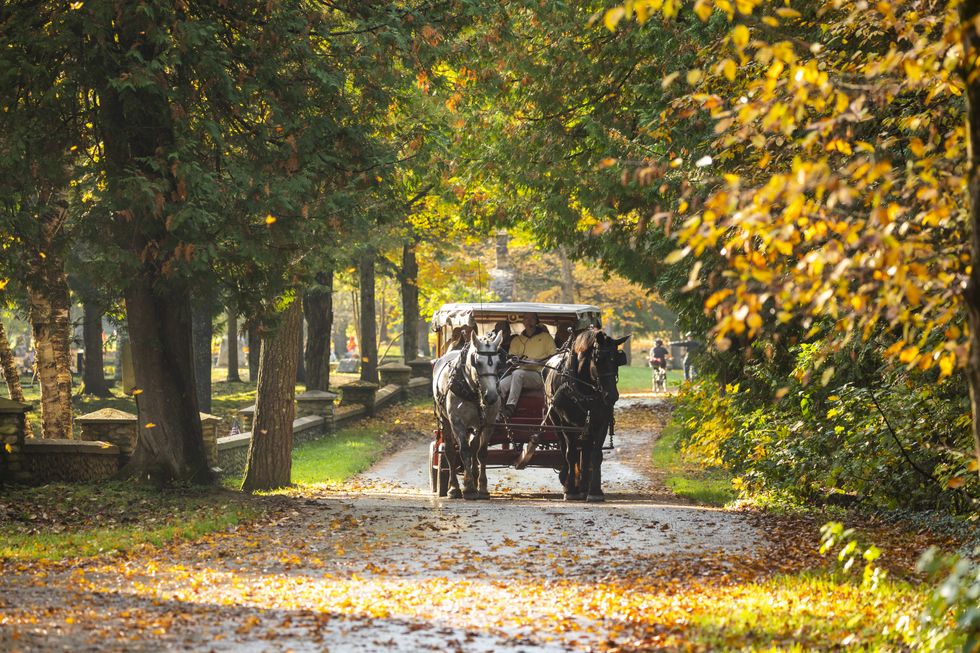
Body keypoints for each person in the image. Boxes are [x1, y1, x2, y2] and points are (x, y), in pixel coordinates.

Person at [500, 313, 556, 418]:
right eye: (526, 318)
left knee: (518, 373)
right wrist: (516, 361)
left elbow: (553, 359)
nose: (529, 321)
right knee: (500, 385)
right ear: (523, 321)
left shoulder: (546, 338)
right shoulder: (517, 340)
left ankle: (510, 407)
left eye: (532, 318)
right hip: (519, 375)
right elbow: (512, 358)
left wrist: (538, 361)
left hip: (540, 376)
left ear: (536, 321)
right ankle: (498, 414)